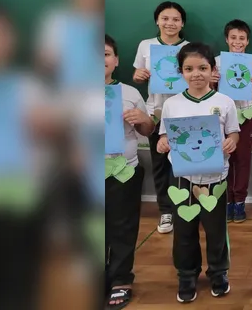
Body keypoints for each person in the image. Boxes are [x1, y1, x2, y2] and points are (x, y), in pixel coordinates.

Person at [156, 43, 240, 303]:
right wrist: (163, 143)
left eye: (203, 68)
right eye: (189, 69)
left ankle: (218, 272)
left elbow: (234, 132)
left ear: (213, 70)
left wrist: (232, 141)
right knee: (184, 230)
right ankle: (186, 274)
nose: (197, 74)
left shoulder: (225, 102)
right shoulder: (172, 104)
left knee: (216, 230)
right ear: (181, 72)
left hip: (216, 178)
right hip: (183, 178)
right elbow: (163, 136)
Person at [105, 34, 156, 309]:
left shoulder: (129, 93)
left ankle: (121, 280)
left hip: (123, 170)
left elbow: (147, 131)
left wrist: (143, 121)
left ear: (116, 60)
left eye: (104, 54)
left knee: (122, 226)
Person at [133, 1, 189, 234]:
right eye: (165, 18)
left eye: (176, 19)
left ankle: (185, 207)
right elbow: (137, 76)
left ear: (182, 23)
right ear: (157, 20)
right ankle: (166, 210)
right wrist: (139, 75)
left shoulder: (189, 48)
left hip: (184, 110)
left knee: (186, 159)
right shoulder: (146, 45)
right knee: (160, 163)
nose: (170, 23)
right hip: (155, 111)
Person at [213, 19, 252, 222]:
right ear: (226, 39)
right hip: (220, 115)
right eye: (233, 37)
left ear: (247, 41)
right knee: (224, 158)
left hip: (245, 114)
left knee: (243, 160)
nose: (237, 41)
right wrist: (212, 82)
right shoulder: (216, 62)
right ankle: (226, 201)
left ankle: (240, 202)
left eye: (242, 38)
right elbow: (209, 92)